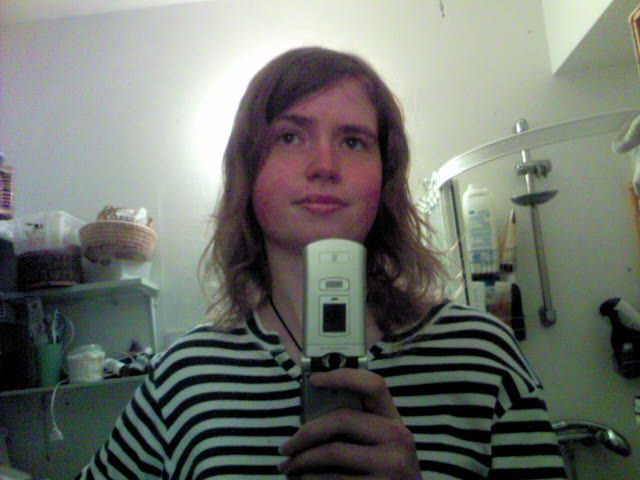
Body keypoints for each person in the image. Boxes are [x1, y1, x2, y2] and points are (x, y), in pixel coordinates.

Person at [77, 47, 567, 479]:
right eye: (290, 137)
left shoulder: (482, 355)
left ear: (384, 176)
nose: (325, 166)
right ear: (248, 169)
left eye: (353, 141)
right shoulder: (183, 375)